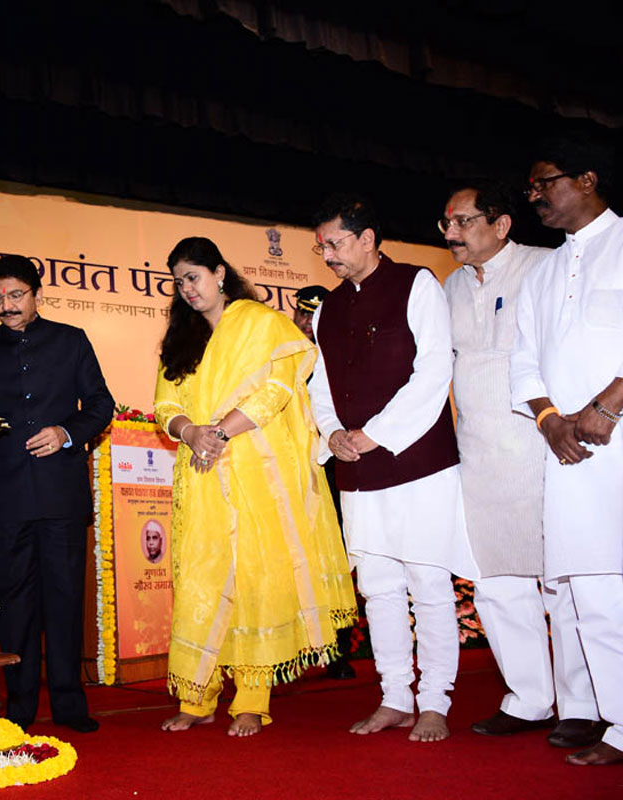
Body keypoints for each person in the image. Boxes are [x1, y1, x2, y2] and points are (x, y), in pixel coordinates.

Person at [154, 236, 356, 737]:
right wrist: (191, 431)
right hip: (200, 474)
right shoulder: (182, 340)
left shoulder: (263, 324)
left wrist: (220, 431)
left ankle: (251, 699)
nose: (187, 290)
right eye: (178, 282)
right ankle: (197, 697)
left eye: (193, 277)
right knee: (200, 580)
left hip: (255, 471)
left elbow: (279, 389)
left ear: (219, 273)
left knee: (253, 580)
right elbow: (164, 405)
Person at [308, 194, 479, 743]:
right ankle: (394, 696)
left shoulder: (417, 283)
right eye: (320, 246)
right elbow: (320, 385)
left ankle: (434, 701)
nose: (327, 254)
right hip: (357, 469)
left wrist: (375, 434)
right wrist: (333, 432)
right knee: (379, 586)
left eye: (334, 243)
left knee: (427, 581)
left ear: (367, 238)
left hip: (418, 463)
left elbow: (434, 370)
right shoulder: (325, 310)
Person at [441, 180, 596, 741]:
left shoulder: (546, 268)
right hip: (479, 453)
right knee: (497, 582)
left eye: (463, 221)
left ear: (501, 224)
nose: (452, 233)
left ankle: (582, 704)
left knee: (564, 580)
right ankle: (529, 698)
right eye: (447, 224)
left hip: (544, 447)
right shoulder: (448, 288)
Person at [0, 254, 114, 734]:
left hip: (61, 495)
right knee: (15, 605)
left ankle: (71, 704)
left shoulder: (70, 341)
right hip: (6, 495)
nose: (6, 305)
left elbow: (99, 405)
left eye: (16, 295)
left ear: (36, 294)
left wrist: (66, 433)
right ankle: (20, 706)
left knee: (65, 598)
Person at [511, 136, 623, 766]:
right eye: (530, 190)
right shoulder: (546, 272)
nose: (536, 199)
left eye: (543, 184)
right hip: (574, 455)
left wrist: (609, 404)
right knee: (595, 594)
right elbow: (524, 361)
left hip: (619, 435)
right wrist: (551, 419)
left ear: (586, 178)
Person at [292, 282, 357, 680]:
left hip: (332, 465)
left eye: (313, 315)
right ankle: (292, 646)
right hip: (286, 467)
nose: (305, 322)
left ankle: (338, 649)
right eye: (301, 313)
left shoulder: (342, 354)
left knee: (337, 555)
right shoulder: (280, 353)